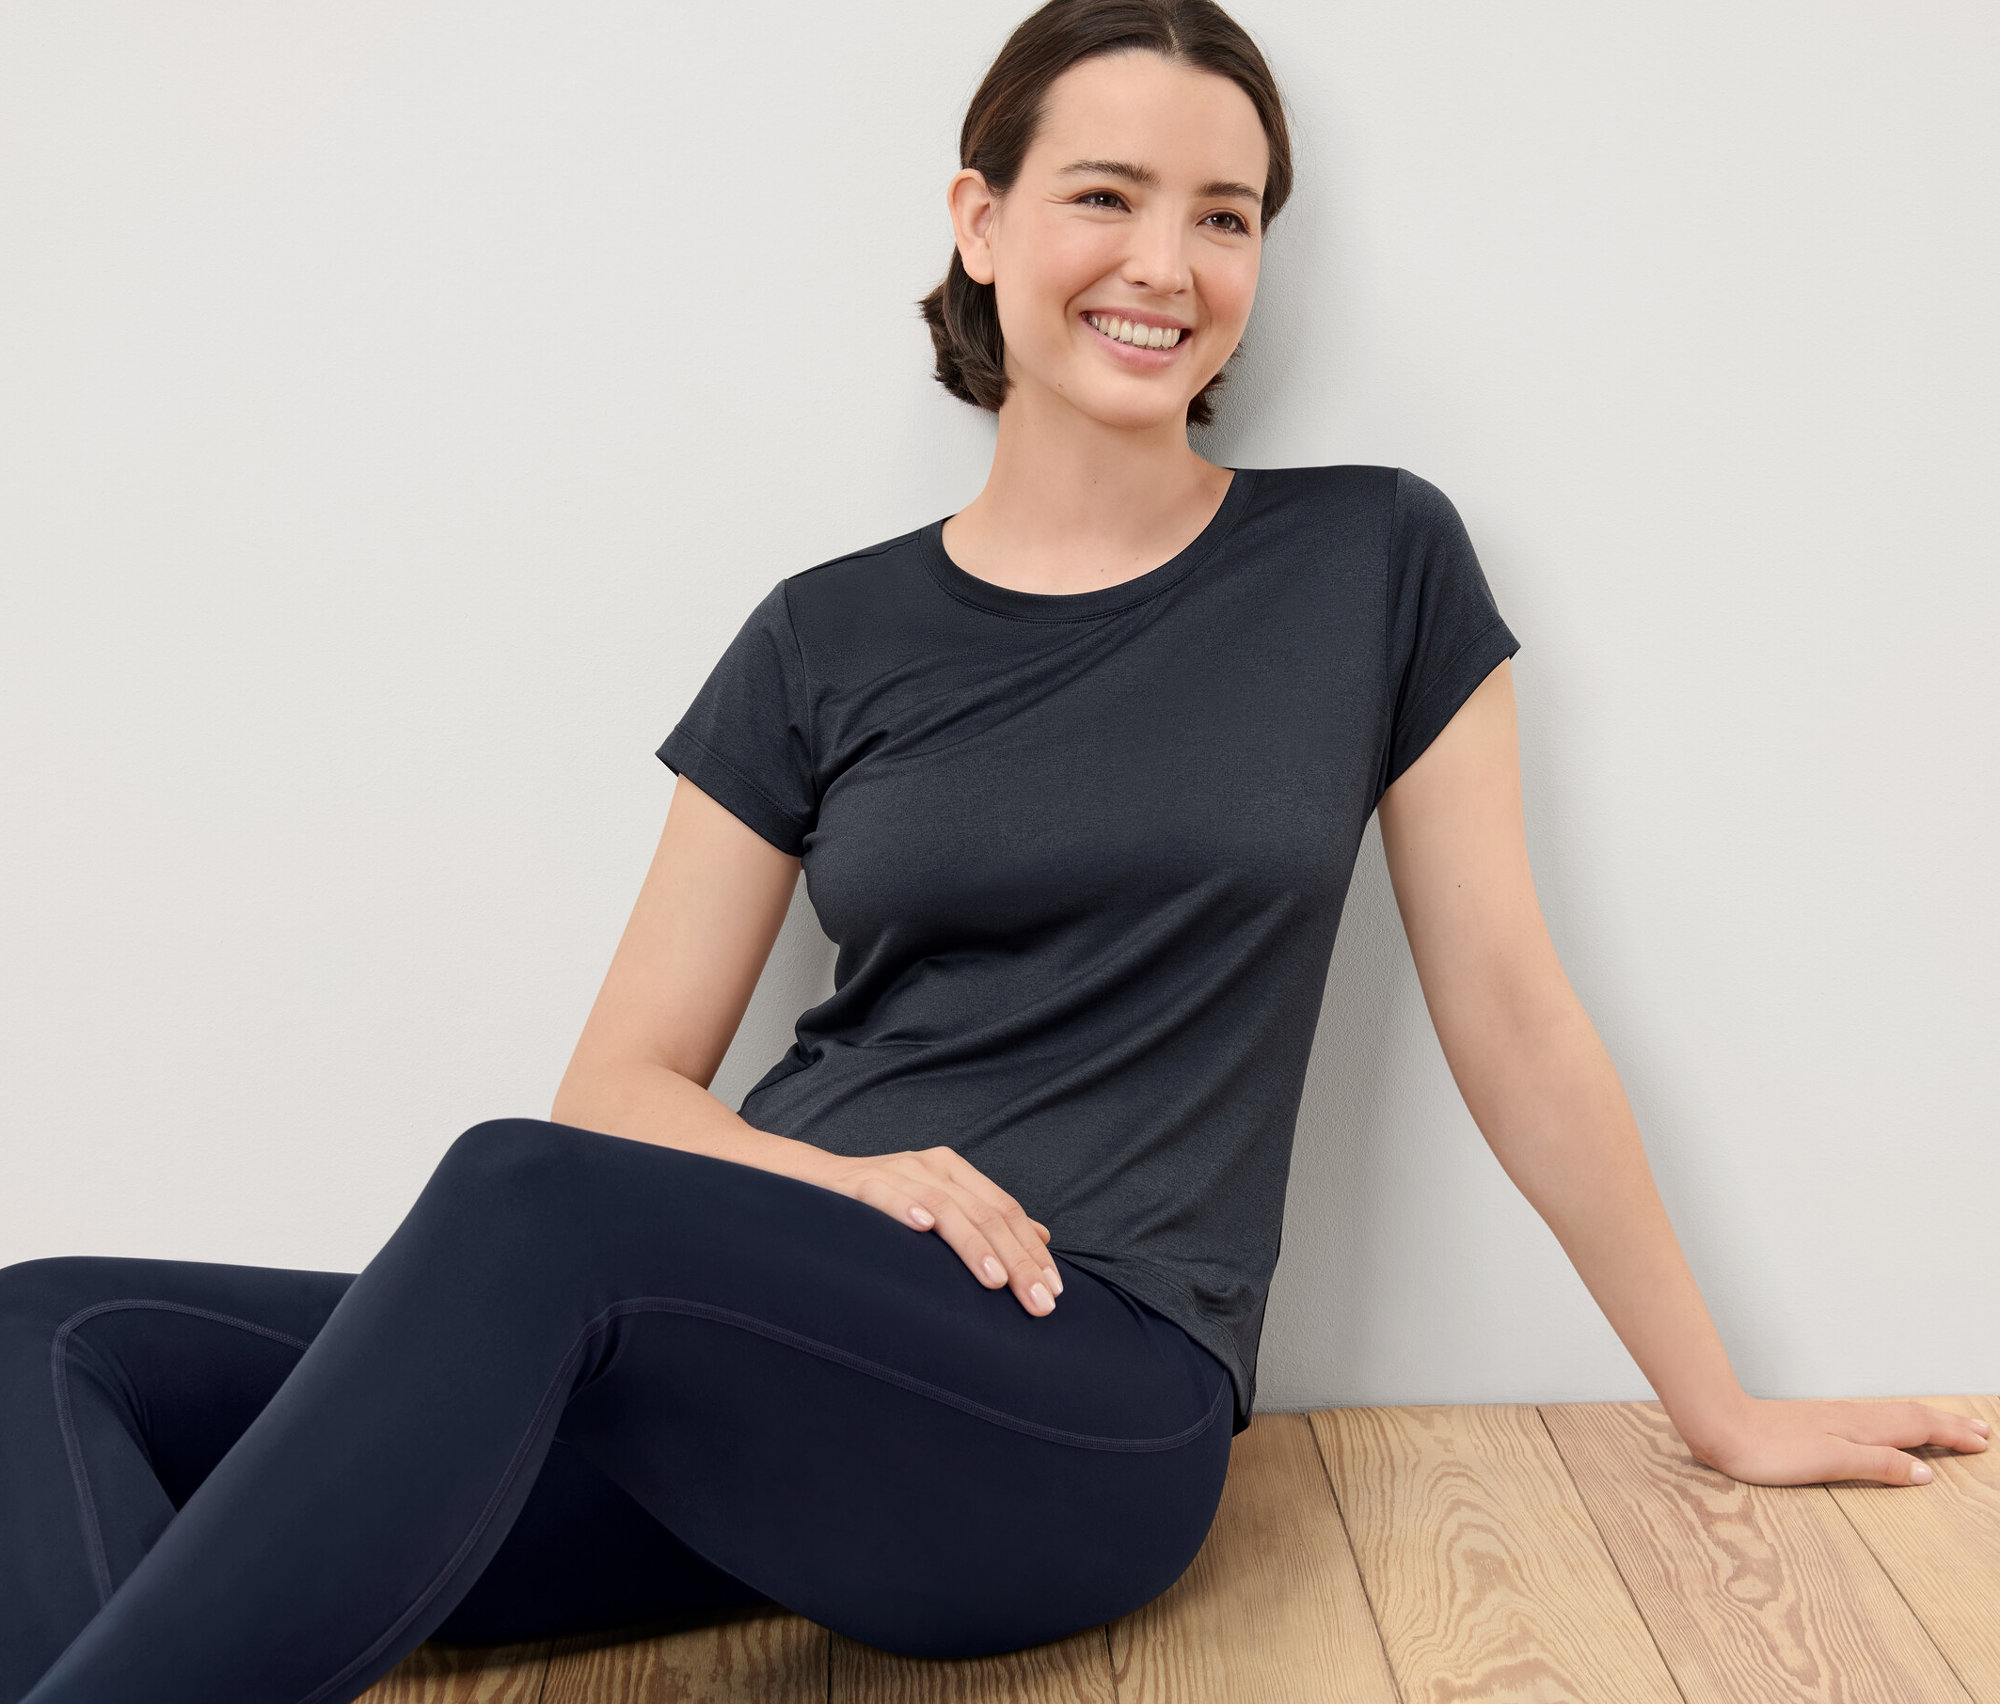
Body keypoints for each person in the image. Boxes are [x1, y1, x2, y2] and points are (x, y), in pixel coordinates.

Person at [2, 2, 1987, 1700]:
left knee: (518, 1202)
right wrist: (849, 1178)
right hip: (762, 1380)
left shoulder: (1370, 559)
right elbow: (621, 1086)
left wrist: (1714, 1405)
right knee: (42, 1326)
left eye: (1226, 217)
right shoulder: (820, 634)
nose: (1169, 263)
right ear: (982, 220)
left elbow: (1508, 1006)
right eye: (1105, 196)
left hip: (1077, 1399)